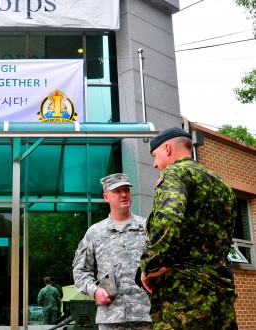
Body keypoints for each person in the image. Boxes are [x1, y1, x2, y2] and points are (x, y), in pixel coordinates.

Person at [139, 127, 238, 329]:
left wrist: (149, 268)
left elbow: (168, 222)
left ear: (167, 149)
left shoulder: (175, 173)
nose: (154, 163)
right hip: (221, 294)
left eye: (154, 155)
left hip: (184, 297)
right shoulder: (221, 185)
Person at [73, 173, 152, 330]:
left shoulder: (147, 227)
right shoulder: (95, 233)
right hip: (111, 318)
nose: (123, 194)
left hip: (147, 316)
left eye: (126, 190)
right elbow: (80, 271)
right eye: (117, 191)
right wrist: (94, 291)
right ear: (106, 197)